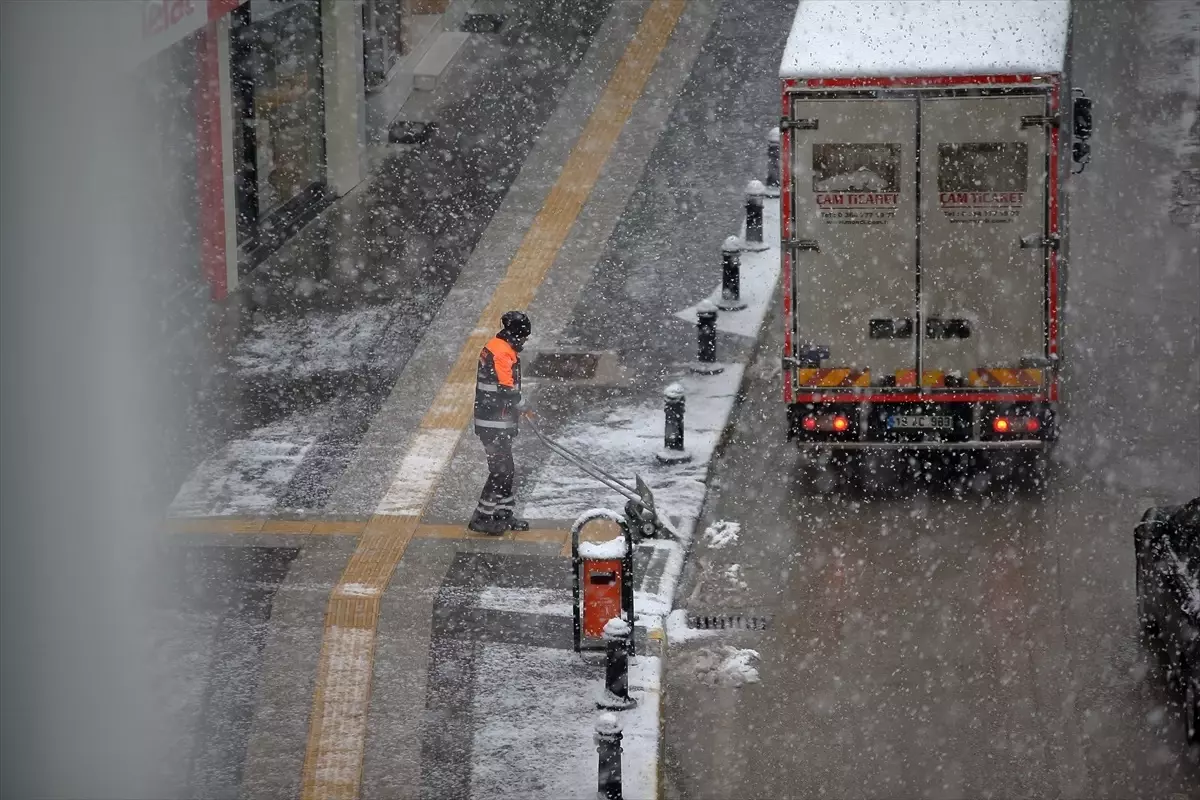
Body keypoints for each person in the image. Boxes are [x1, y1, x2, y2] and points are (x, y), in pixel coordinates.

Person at [468, 310, 532, 534]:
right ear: (516, 334)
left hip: (498, 421)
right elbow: (506, 388)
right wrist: (521, 403)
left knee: (507, 469)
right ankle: (483, 517)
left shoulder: (500, 347)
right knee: (501, 470)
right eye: (524, 337)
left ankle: (503, 513)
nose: (525, 341)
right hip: (493, 422)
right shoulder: (501, 353)